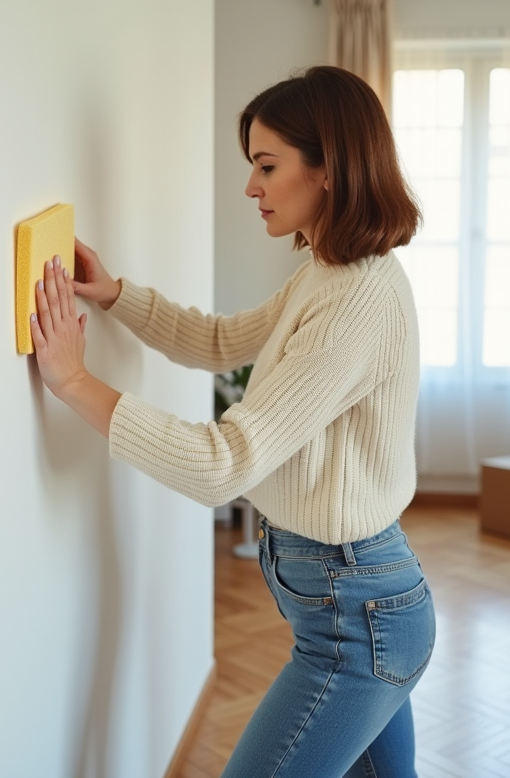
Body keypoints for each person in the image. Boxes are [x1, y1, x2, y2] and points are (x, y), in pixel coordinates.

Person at [29, 65, 434, 778]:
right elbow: (221, 341)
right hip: (360, 613)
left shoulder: (357, 302)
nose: (250, 186)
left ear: (328, 168)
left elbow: (223, 465)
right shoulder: (328, 273)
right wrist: (116, 294)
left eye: (267, 166)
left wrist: (74, 381)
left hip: (358, 627)